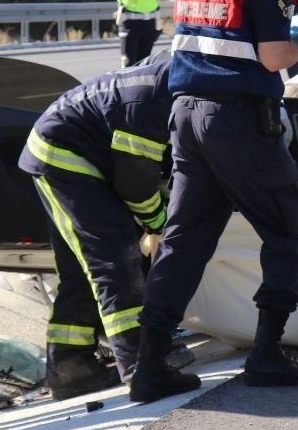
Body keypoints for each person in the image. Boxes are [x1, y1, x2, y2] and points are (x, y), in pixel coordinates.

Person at [130, 0, 298, 403]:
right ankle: (268, 352)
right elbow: (273, 59)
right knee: (286, 227)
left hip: (187, 113)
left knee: (185, 238)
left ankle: (150, 363)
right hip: (238, 119)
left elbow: (217, 36)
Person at [18, 55, 194, 400]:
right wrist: (158, 224)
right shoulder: (151, 103)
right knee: (115, 259)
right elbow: (136, 185)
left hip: (68, 147)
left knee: (81, 269)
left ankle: (70, 367)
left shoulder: (172, 76)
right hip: (65, 157)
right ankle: (141, 363)